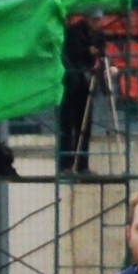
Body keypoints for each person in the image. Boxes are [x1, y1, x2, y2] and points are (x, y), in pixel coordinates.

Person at [56, 15, 108, 175]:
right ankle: (66, 165)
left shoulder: (99, 35)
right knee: (67, 126)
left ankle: (82, 164)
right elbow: (70, 55)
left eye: (99, 20)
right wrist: (87, 51)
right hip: (71, 83)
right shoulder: (74, 33)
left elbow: (102, 53)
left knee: (84, 127)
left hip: (88, 83)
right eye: (95, 19)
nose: (97, 23)